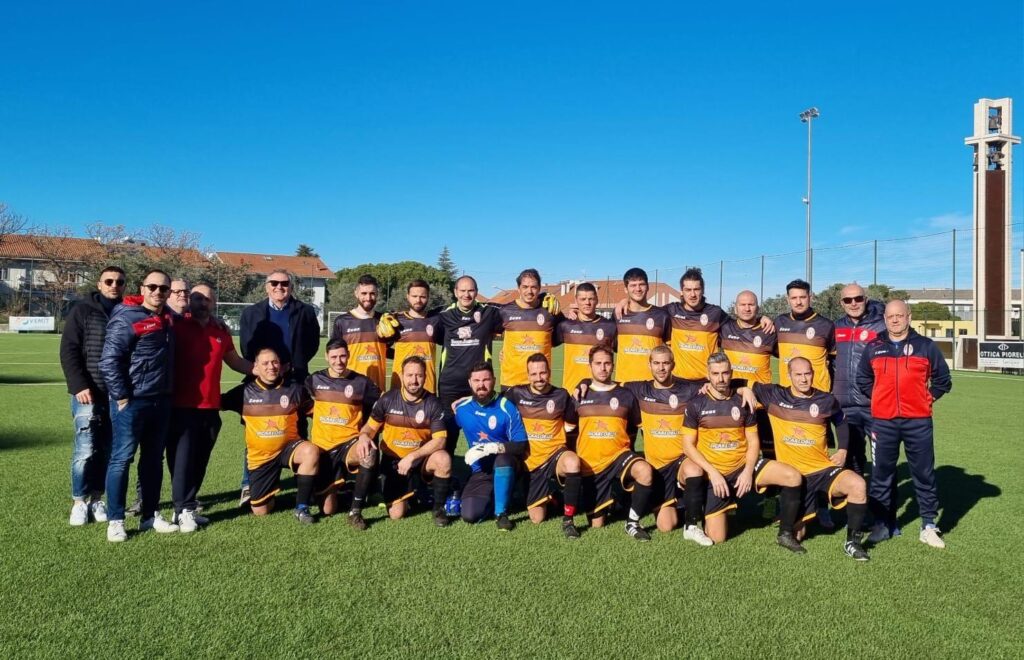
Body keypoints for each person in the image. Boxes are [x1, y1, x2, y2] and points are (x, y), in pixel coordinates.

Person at [679, 353, 806, 553]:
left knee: (792, 476)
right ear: (708, 375)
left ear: (731, 373)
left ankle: (786, 532)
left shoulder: (743, 401)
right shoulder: (696, 404)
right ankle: (702, 506)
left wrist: (747, 471)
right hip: (715, 471)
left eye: (725, 373)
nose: (721, 378)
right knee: (717, 537)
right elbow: (687, 446)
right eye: (715, 374)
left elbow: (753, 441)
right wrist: (713, 473)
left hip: (742, 466)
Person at [749, 357, 871, 560]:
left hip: (823, 470)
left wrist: (842, 450)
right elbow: (737, 382)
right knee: (799, 534)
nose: (804, 379)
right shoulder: (774, 394)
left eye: (807, 373)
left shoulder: (826, 400)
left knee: (858, 485)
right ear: (789, 375)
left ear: (813, 374)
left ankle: (853, 543)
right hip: (794, 476)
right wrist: (745, 390)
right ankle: (787, 531)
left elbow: (841, 422)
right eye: (798, 374)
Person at [857, 300, 952, 549]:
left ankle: (928, 525)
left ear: (909, 316)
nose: (895, 320)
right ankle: (883, 524)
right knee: (881, 475)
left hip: (918, 422)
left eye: (899, 315)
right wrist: (880, 398)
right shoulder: (873, 346)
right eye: (890, 316)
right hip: (883, 422)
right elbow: (862, 379)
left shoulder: (926, 346)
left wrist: (926, 399)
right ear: (885, 319)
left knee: (924, 474)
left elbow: (943, 380)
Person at [99, 269, 178, 542]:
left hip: (161, 400)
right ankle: (116, 520)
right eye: (152, 287)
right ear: (142, 289)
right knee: (122, 459)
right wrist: (121, 396)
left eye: (164, 288)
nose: (158, 292)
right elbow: (109, 361)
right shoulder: (127, 317)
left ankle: (150, 515)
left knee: (154, 460)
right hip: (132, 401)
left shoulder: (169, 318)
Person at [167, 284, 252, 532]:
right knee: (182, 462)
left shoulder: (220, 330)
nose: (202, 303)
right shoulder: (176, 325)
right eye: (197, 298)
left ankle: (187, 506)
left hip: (211, 408)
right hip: (181, 407)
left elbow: (235, 361)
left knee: (200, 461)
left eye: (208, 299)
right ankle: (182, 509)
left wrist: (262, 369)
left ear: (214, 303)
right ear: (189, 300)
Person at [237, 269, 321, 505]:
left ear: (291, 287)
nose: (279, 287)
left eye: (284, 283)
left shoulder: (305, 311)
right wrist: (267, 369)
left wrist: (291, 365)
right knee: (256, 435)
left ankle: (303, 482)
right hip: (261, 383)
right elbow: (246, 347)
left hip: (294, 380)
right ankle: (248, 484)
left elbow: (312, 344)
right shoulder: (251, 313)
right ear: (266, 286)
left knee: (299, 430)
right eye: (274, 283)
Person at [221, 347, 320, 524]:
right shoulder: (243, 393)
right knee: (261, 510)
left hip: (289, 448)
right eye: (265, 363)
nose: (271, 367)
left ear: (281, 365)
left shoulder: (295, 390)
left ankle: (302, 507)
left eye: (274, 362)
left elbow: (317, 414)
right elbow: (216, 403)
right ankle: (277, 496)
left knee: (310, 451)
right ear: (256, 367)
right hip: (261, 457)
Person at [59, 265, 125, 526]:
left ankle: (97, 499)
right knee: (85, 449)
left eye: (119, 282)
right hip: (88, 392)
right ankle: (79, 501)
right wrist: (79, 385)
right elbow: (69, 350)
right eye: (109, 281)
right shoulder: (82, 310)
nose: (114, 285)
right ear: (99, 284)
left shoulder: (127, 312)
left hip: (117, 394)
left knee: (108, 450)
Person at [356, 356, 452, 527]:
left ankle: (438, 509)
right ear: (401, 376)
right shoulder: (387, 399)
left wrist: (412, 456)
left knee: (443, 459)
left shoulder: (433, 403)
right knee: (396, 514)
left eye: (419, 375)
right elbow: (369, 428)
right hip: (393, 462)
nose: (414, 381)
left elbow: (440, 441)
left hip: (419, 461)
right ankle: (412, 493)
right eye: (409, 375)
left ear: (425, 376)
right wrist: (363, 436)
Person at [621, 346, 706, 535]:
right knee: (666, 526)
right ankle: (683, 501)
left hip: (682, 460)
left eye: (666, 363)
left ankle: (692, 526)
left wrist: (743, 389)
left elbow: (720, 385)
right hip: (658, 468)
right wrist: (584, 383)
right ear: (649, 365)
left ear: (673, 365)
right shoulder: (639, 389)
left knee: (694, 469)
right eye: (657, 363)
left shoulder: (689, 389)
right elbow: (608, 385)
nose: (661, 368)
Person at [574, 345, 655, 541]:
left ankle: (632, 523)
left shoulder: (626, 394)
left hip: (619, 456)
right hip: (591, 464)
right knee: (597, 525)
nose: (603, 368)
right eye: (598, 363)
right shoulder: (578, 395)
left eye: (607, 363)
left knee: (644, 471)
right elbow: (569, 430)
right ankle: (617, 499)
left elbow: (636, 428)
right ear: (590, 366)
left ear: (613, 365)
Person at [503, 353, 583, 539]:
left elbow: (571, 426)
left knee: (573, 463)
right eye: (534, 374)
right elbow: (494, 403)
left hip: (555, 454)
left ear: (549, 372)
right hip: (529, 460)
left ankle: (568, 520)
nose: (539, 378)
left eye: (543, 373)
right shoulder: (516, 394)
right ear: (527, 374)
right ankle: (553, 497)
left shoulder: (561, 395)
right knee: (537, 518)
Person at [305, 338, 381, 529]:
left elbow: (381, 407)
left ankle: (355, 511)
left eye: (342, 356)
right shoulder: (314, 380)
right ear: (326, 357)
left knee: (369, 452)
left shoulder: (361, 382)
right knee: (328, 509)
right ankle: (345, 490)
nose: (338, 361)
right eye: (334, 357)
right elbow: (301, 402)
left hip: (349, 445)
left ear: (348, 356)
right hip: (323, 448)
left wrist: (365, 433)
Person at [454, 362, 529, 531]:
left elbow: (521, 445)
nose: (481, 385)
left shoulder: (506, 407)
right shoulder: (462, 409)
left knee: (502, 461)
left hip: (507, 465)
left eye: (486, 380)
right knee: (470, 515)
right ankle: (501, 494)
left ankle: (501, 513)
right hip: (481, 471)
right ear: (469, 382)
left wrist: (492, 448)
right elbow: (447, 434)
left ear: (494, 380)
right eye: (476, 380)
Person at [436, 275, 503, 453]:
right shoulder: (443, 316)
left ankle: (484, 469)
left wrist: (543, 297)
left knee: (484, 432)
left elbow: (515, 312)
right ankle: (445, 469)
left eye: (471, 290)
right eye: (463, 290)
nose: (466, 294)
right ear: (455, 292)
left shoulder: (489, 313)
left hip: (479, 384)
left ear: (477, 292)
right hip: (450, 385)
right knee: (448, 435)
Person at [496, 268, 560, 388]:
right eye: (525, 287)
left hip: (540, 382)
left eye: (533, 287)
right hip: (511, 382)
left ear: (539, 288)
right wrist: (503, 350)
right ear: (518, 288)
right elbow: (486, 330)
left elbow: (569, 328)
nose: (529, 291)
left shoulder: (550, 311)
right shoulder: (505, 311)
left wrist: (574, 313)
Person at [553, 281, 616, 393]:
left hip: (600, 393)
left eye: (591, 299)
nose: (587, 303)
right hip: (571, 392)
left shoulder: (609, 327)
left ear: (597, 300)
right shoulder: (565, 326)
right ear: (576, 300)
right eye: (583, 299)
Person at [382, 279, 444, 393]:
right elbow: (382, 349)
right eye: (414, 296)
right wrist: (404, 357)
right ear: (408, 296)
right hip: (400, 388)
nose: (418, 300)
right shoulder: (396, 320)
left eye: (422, 296)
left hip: (428, 388)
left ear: (428, 297)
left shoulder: (436, 320)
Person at [775, 279, 835, 392]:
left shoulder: (826, 325)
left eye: (802, 297)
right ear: (788, 300)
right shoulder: (780, 322)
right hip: (787, 394)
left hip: (818, 393)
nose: (798, 302)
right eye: (794, 298)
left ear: (810, 298)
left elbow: (835, 360)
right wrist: (761, 318)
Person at [330, 274, 388, 390]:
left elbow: (389, 350)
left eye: (372, 293)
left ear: (377, 294)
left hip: (377, 387)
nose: (368, 297)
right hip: (350, 386)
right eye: (364, 293)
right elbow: (334, 354)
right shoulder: (342, 321)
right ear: (356, 294)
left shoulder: (384, 321)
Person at [614, 268, 672, 383]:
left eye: (641, 284)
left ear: (648, 286)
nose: (638, 289)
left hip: (652, 385)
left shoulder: (662, 315)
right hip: (623, 383)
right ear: (626, 289)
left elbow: (671, 349)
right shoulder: (618, 314)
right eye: (633, 285)